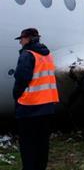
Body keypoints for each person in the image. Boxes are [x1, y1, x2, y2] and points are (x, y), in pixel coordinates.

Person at [13, 28, 59, 170]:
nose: (20, 41)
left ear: (28, 39)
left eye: (21, 38)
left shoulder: (28, 55)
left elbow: (21, 79)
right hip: (47, 107)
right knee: (42, 143)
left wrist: (17, 96)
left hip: (30, 107)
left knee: (28, 144)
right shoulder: (47, 55)